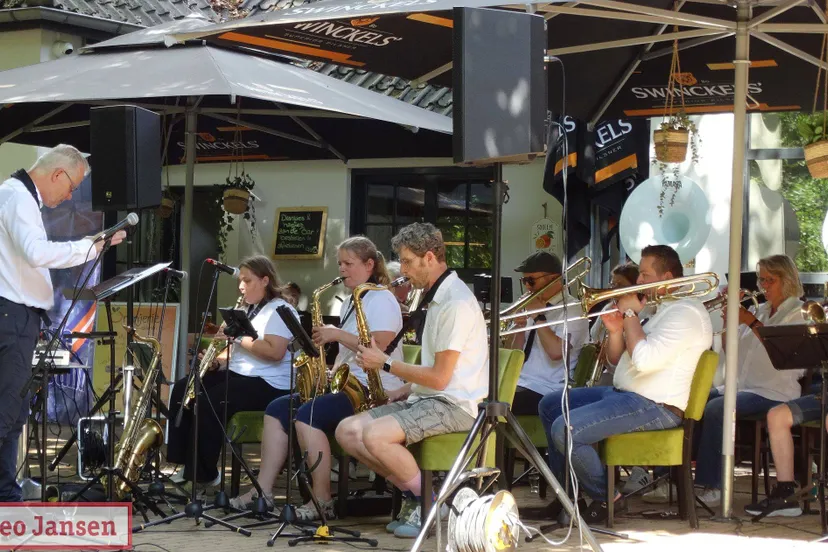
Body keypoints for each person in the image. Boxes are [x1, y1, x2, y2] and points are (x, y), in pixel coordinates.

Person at [229, 237, 406, 517]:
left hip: (374, 388)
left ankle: (322, 499)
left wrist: (335, 334)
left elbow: (379, 345)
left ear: (369, 265)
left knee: (309, 415)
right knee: (277, 409)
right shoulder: (353, 298)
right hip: (347, 383)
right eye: (340, 263)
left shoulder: (382, 298)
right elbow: (349, 354)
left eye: (348, 263)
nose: (342, 269)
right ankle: (262, 491)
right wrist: (330, 371)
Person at [538, 245, 712, 523]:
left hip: (655, 405)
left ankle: (607, 498)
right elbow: (616, 360)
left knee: (565, 429)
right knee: (550, 405)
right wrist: (616, 329)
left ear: (667, 277)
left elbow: (643, 361)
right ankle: (567, 499)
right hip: (627, 394)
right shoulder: (659, 310)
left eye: (644, 274)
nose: (639, 281)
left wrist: (630, 315)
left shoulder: (685, 313)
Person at [336, 222, 488, 538]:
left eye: (406, 261)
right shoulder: (438, 296)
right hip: (428, 397)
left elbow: (442, 378)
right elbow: (439, 370)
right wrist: (405, 389)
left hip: (454, 405)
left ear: (429, 258)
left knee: (375, 435)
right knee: (348, 431)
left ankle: (429, 503)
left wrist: (387, 364)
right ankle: (415, 494)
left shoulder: (455, 303)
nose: (401, 269)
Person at [0, 145, 127, 502]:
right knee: (7, 412)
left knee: (12, 414)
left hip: (16, 317)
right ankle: (4, 496)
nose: (70, 195)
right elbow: (37, 253)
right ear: (58, 174)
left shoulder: (18, 196)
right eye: (72, 186)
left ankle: (6, 494)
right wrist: (87, 246)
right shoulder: (17, 197)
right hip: (12, 317)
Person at [167, 255, 298, 489]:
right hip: (242, 374)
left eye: (247, 281)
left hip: (269, 383)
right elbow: (239, 351)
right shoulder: (248, 309)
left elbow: (275, 351)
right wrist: (216, 362)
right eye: (240, 280)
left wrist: (237, 336)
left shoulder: (279, 309)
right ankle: (183, 464)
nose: (241, 286)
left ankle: (205, 474)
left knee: (210, 402)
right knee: (182, 388)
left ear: (265, 280)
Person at [688, 255, 806, 507]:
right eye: (761, 279)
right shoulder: (758, 309)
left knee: (717, 409)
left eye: (769, 280)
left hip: (774, 391)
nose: (764, 286)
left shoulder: (798, 312)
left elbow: (781, 351)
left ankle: (712, 485)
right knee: (693, 401)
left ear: (786, 280)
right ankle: (675, 477)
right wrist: (730, 319)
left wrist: (749, 321)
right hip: (742, 387)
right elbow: (732, 352)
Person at [506, 252, 589, 416]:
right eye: (524, 281)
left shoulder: (573, 310)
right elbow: (512, 353)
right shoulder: (532, 304)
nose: (528, 287)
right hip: (520, 382)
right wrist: (519, 325)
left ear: (554, 279)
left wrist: (538, 317)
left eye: (531, 281)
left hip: (547, 389)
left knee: (495, 403)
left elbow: (556, 352)